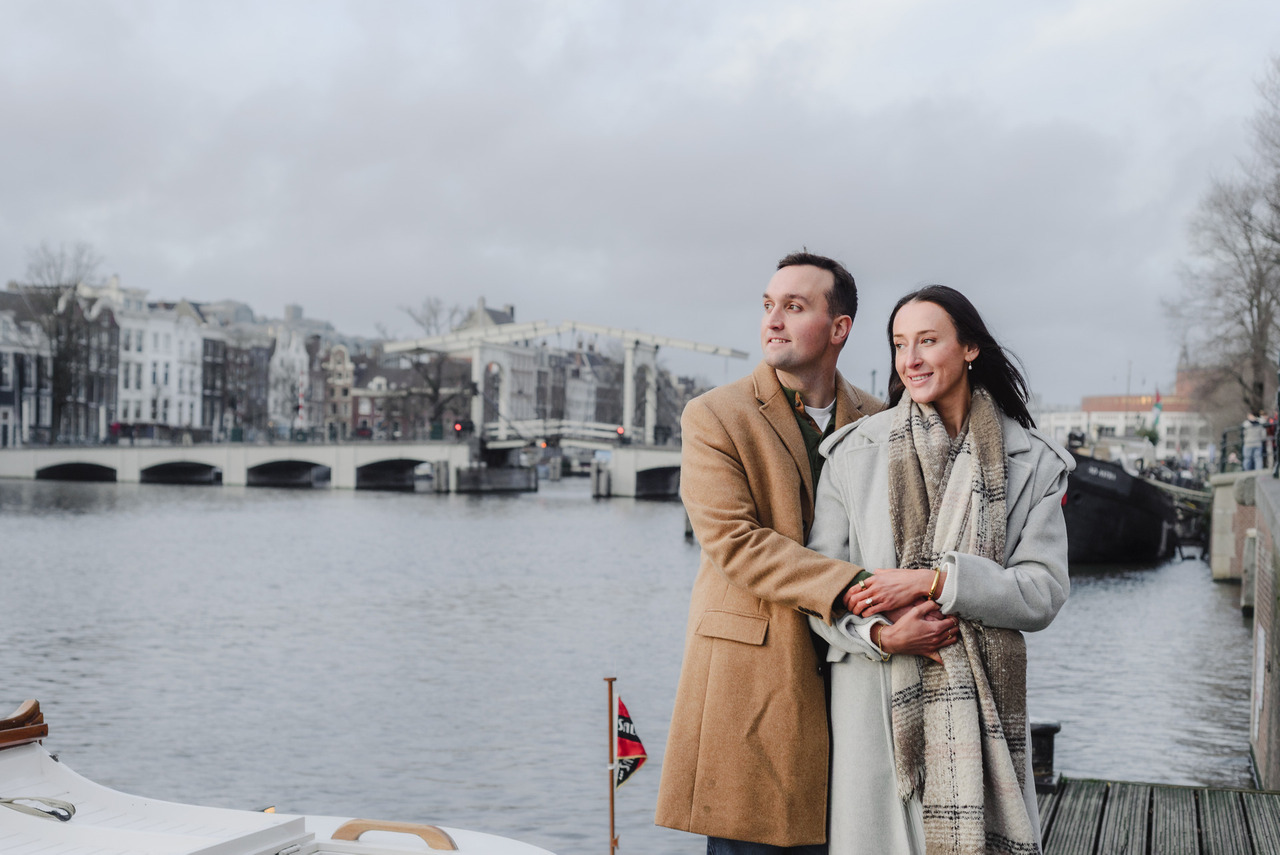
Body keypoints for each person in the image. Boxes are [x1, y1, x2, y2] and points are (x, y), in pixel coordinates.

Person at [807, 286, 1072, 855]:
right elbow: (819, 591)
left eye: (928, 341)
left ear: (970, 347)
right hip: (876, 707)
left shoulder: (1035, 464)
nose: (911, 359)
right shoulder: (852, 456)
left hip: (986, 713)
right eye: (900, 344)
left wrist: (936, 582)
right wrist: (882, 636)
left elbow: (1043, 592)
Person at [655, 251, 883, 853]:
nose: (773, 320)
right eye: (767, 305)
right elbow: (736, 543)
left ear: (839, 328)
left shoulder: (882, 419)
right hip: (754, 684)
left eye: (794, 306)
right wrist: (861, 586)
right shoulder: (714, 415)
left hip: (858, 678)